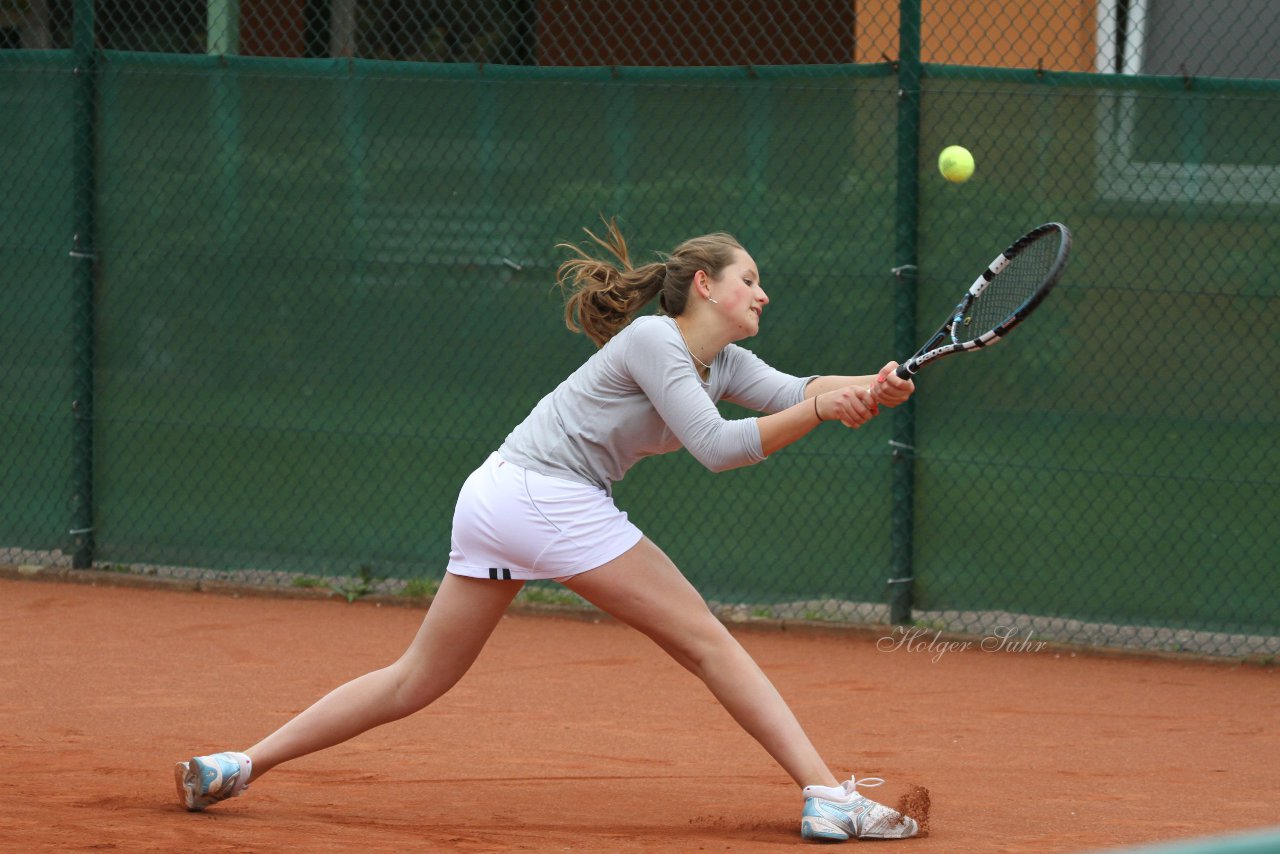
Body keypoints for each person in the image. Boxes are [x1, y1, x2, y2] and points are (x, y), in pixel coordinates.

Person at [175, 220, 920, 842]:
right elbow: (721, 449)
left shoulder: (718, 360)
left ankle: (238, 764)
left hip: (498, 493)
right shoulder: (655, 342)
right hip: (547, 496)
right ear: (704, 284)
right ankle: (825, 794)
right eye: (749, 278)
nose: (762, 291)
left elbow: (797, 390)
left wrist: (866, 387)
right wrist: (824, 411)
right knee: (708, 642)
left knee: (416, 678)